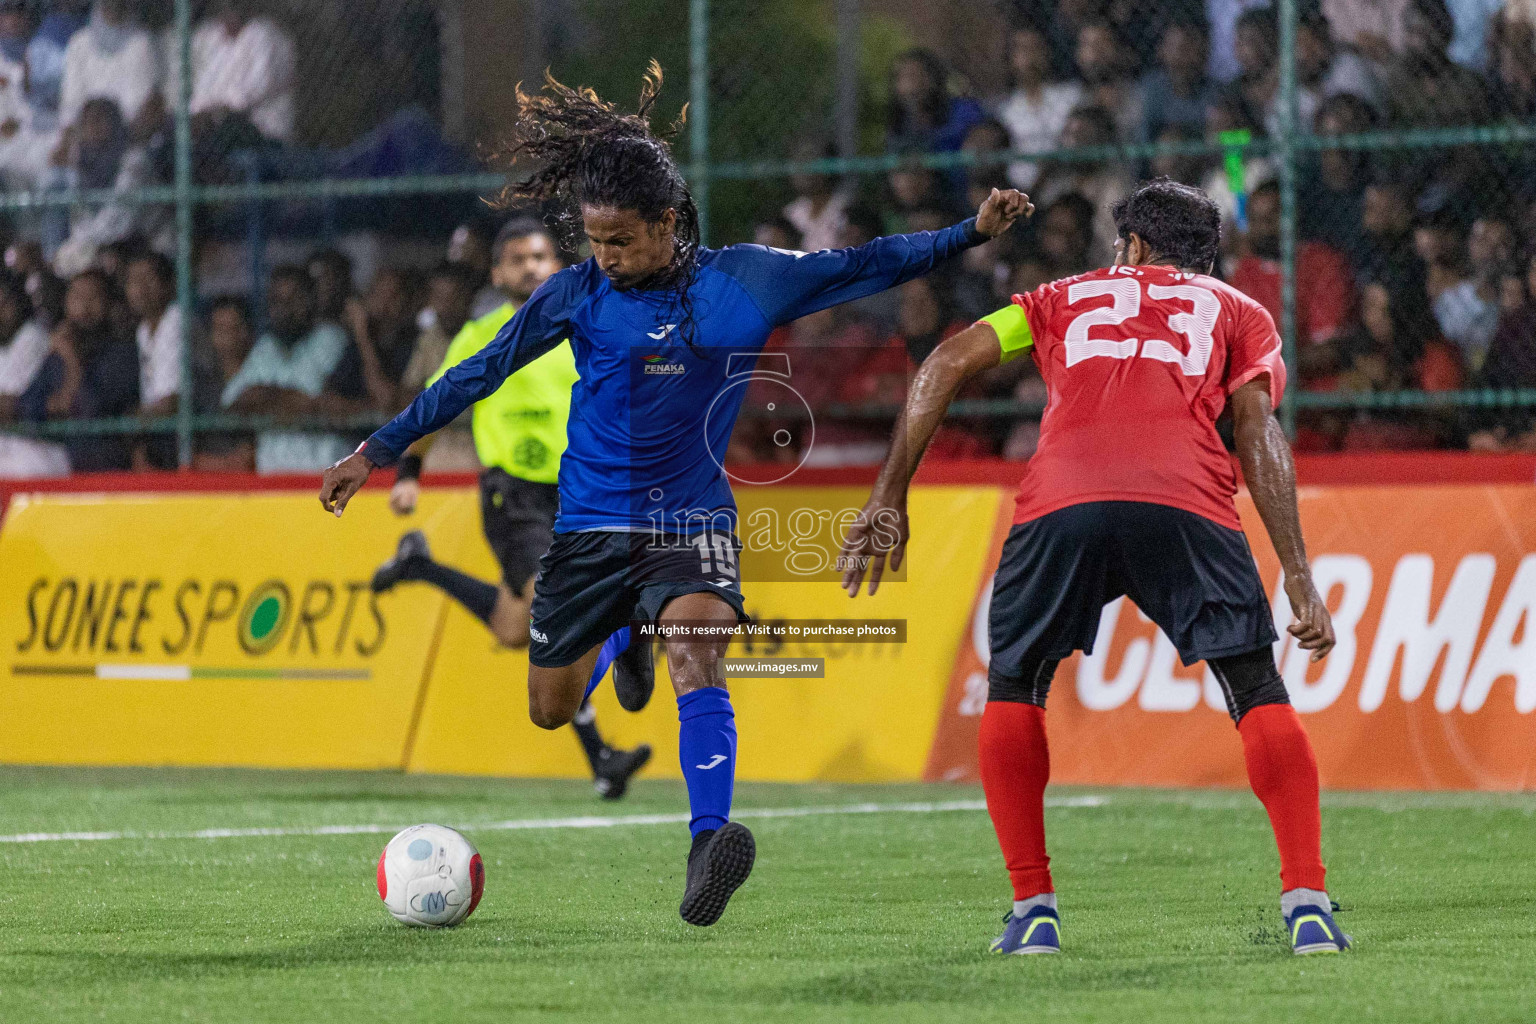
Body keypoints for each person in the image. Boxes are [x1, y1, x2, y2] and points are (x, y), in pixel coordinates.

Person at [320, 63, 1031, 927]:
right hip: (586, 527)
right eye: (594, 242)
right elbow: (477, 372)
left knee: (698, 646)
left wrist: (971, 232)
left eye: (620, 241)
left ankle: (708, 843)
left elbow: (865, 263)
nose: (605, 259)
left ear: (668, 223)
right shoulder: (576, 295)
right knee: (549, 711)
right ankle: (625, 634)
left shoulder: (745, 281)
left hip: (691, 517)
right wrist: (378, 449)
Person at [840, 178, 1348, 957]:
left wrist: (889, 496)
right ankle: (1308, 903)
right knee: (1254, 686)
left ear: (1134, 246)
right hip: (1188, 500)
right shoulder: (1237, 311)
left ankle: (1034, 910)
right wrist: (1301, 575)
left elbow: (942, 364)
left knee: (1015, 682)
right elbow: (1256, 428)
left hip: (1062, 501)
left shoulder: (1058, 295)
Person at [370, 218, 653, 801]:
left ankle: (419, 566)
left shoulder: (583, 322)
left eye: (542, 256)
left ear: (559, 265)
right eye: (518, 259)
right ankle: (601, 756)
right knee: (563, 606)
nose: (531, 267)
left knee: (515, 626)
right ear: (497, 273)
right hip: (513, 495)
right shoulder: (479, 334)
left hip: (576, 493)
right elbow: (437, 402)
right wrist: (409, 472)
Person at [222, 264, 352, 473]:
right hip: (272, 476)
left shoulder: (330, 338)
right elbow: (233, 402)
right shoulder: (266, 347)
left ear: (310, 301)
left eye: (293, 299)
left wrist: (265, 396)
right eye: (276, 300)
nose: (284, 308)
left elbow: (312, 401)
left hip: (324, 474)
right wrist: (283, 398)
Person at [1230, 180, 1355, 347]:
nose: (1263, 229)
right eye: (1255, 219)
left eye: (1270, 218)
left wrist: (1265, 360)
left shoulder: (1322, 263)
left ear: (1292, 215)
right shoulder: (1245, 271)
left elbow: (1329, 348)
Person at [993, 24, 1082, 191]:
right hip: (1019, 191)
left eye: (1035, 48)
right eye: (1022, 50)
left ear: (1047, 53)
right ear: (1011, 59)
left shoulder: (1071, 96)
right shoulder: (1005, 110)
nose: (1029, 56)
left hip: (1065, 188)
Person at [0, 269, 69, 477]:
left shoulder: (33, 337)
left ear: (19, 303)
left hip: (37, 451)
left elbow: (9, 406)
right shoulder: (4, 344)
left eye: (5, 305)